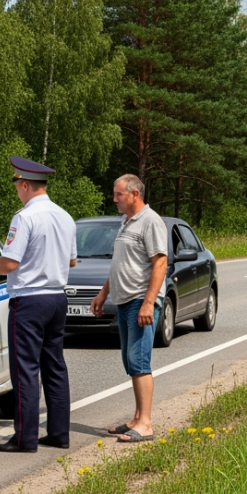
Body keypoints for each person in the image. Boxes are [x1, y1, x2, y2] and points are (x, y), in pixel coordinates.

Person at [0, 156, 77, 453]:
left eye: (17, 187)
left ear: (24, 185)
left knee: (25, 370)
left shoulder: (24, 218)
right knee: (55, 366)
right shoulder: (65, 216)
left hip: (30, 300)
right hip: (57, 298)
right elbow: (71, 260)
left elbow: (9, 263)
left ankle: (25, 438)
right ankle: (59, 433)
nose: (17, 192)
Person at [90, 174, 167, 442]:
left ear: (135, 194)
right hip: (124, 301)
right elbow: (120, 264)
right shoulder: (127, 223)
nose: (114, 199)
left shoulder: (150, 221)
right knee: (129, 361)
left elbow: (160, 263)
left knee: (139, 360)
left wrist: (148, 302)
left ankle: (145, 424)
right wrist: (103, 294)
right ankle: (136, 417)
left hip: (139, 301)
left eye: (118, 194)